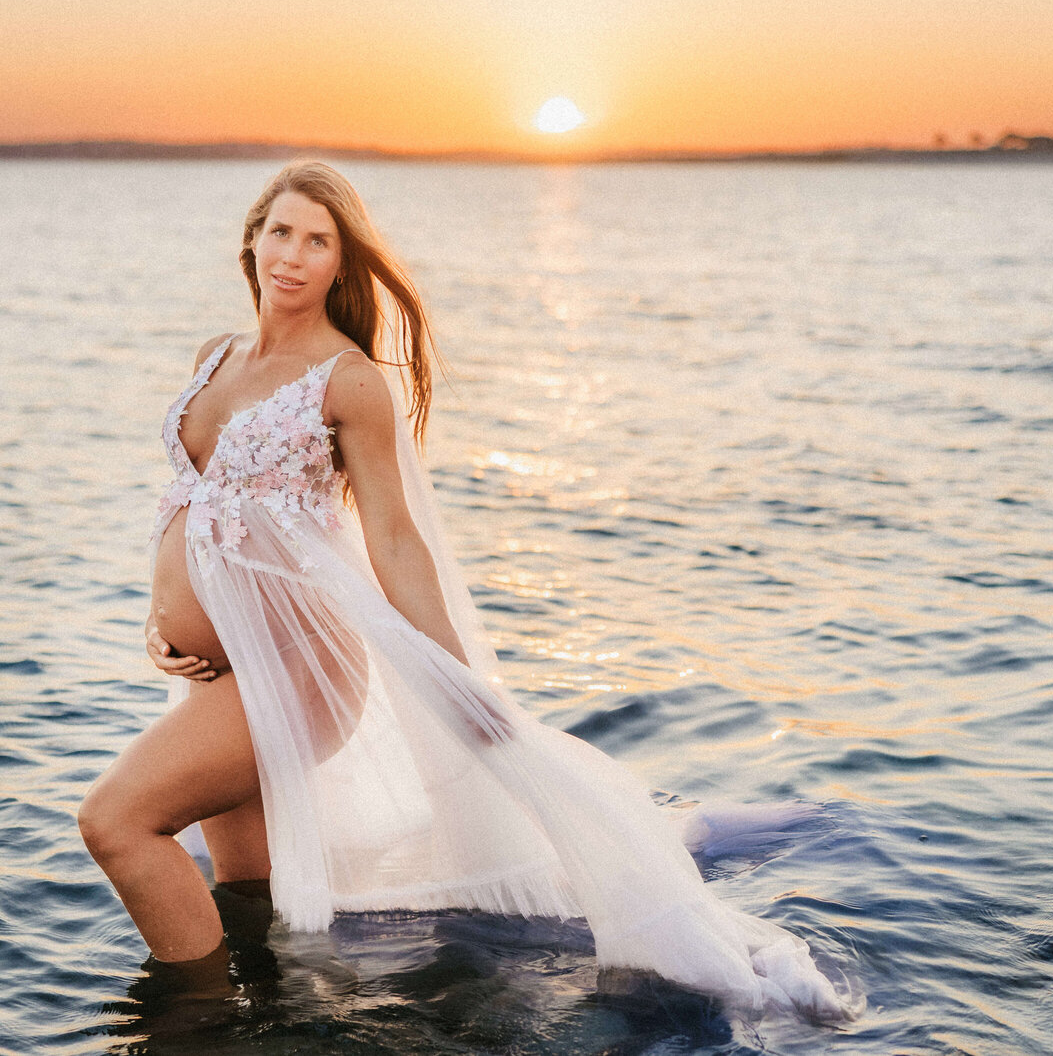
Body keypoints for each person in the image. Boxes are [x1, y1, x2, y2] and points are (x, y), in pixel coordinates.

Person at [77, 161, 858, 1022]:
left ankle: (200, 1028)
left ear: (343, 264)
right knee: (247, 887)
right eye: (281, 232)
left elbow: (396, 541)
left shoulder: (347, 381)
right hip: (220, 674)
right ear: (251, 240)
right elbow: (196, 509)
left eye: (318, 240)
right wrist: (162, 622)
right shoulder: (214, 356)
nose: (293, 255)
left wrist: (457, 680)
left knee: (117, 822)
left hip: (301, 670)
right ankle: (280, 1020)